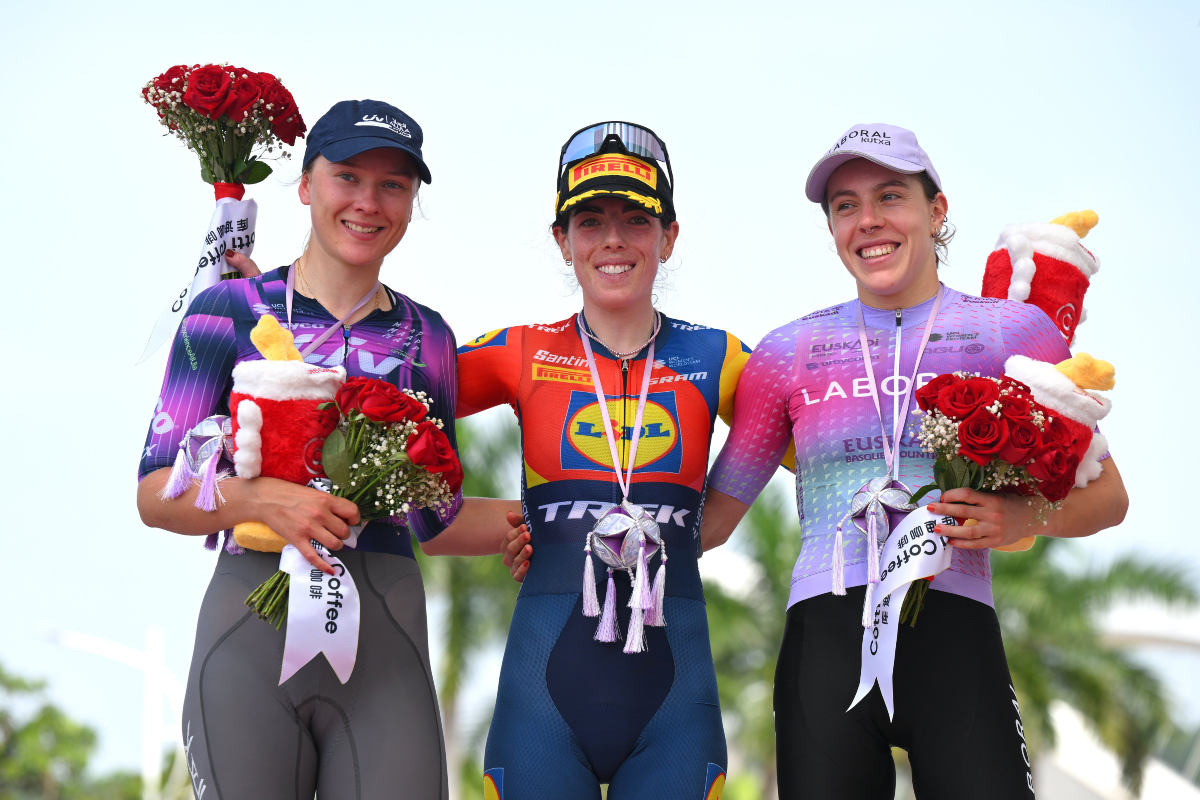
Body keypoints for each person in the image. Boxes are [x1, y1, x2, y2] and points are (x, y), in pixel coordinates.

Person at [700, 124, 1129, 800]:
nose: (868, 221)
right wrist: (568, 537)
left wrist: (1020, 514)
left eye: (890, 197)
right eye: (845, 205)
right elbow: (713, 519)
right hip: (825, 640)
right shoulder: (787, 352)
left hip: (955, 632)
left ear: (937, 210)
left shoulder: (1011, 332)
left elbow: (1109, 499)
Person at [136, 99, 519, 800]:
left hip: (387, 651)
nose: (369, 202)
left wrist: (560, 521)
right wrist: (259, 501)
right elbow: (156, 491)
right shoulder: (228, 311)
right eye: (348, 177)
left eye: (393, 185)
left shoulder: (426, 336)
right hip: (248, 631)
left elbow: (438, 518)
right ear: (307, 184)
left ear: (411, 202)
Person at [456, 122, 748, 800]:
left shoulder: (719, 356)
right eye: (590, 222)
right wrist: (510, 524)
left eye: (635, 220)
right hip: (543, 706)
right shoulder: (518, 351)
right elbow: (379, 401)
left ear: (669, 236)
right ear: (563, 240)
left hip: (676, 705)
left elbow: (834, 438)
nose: (612, 240)